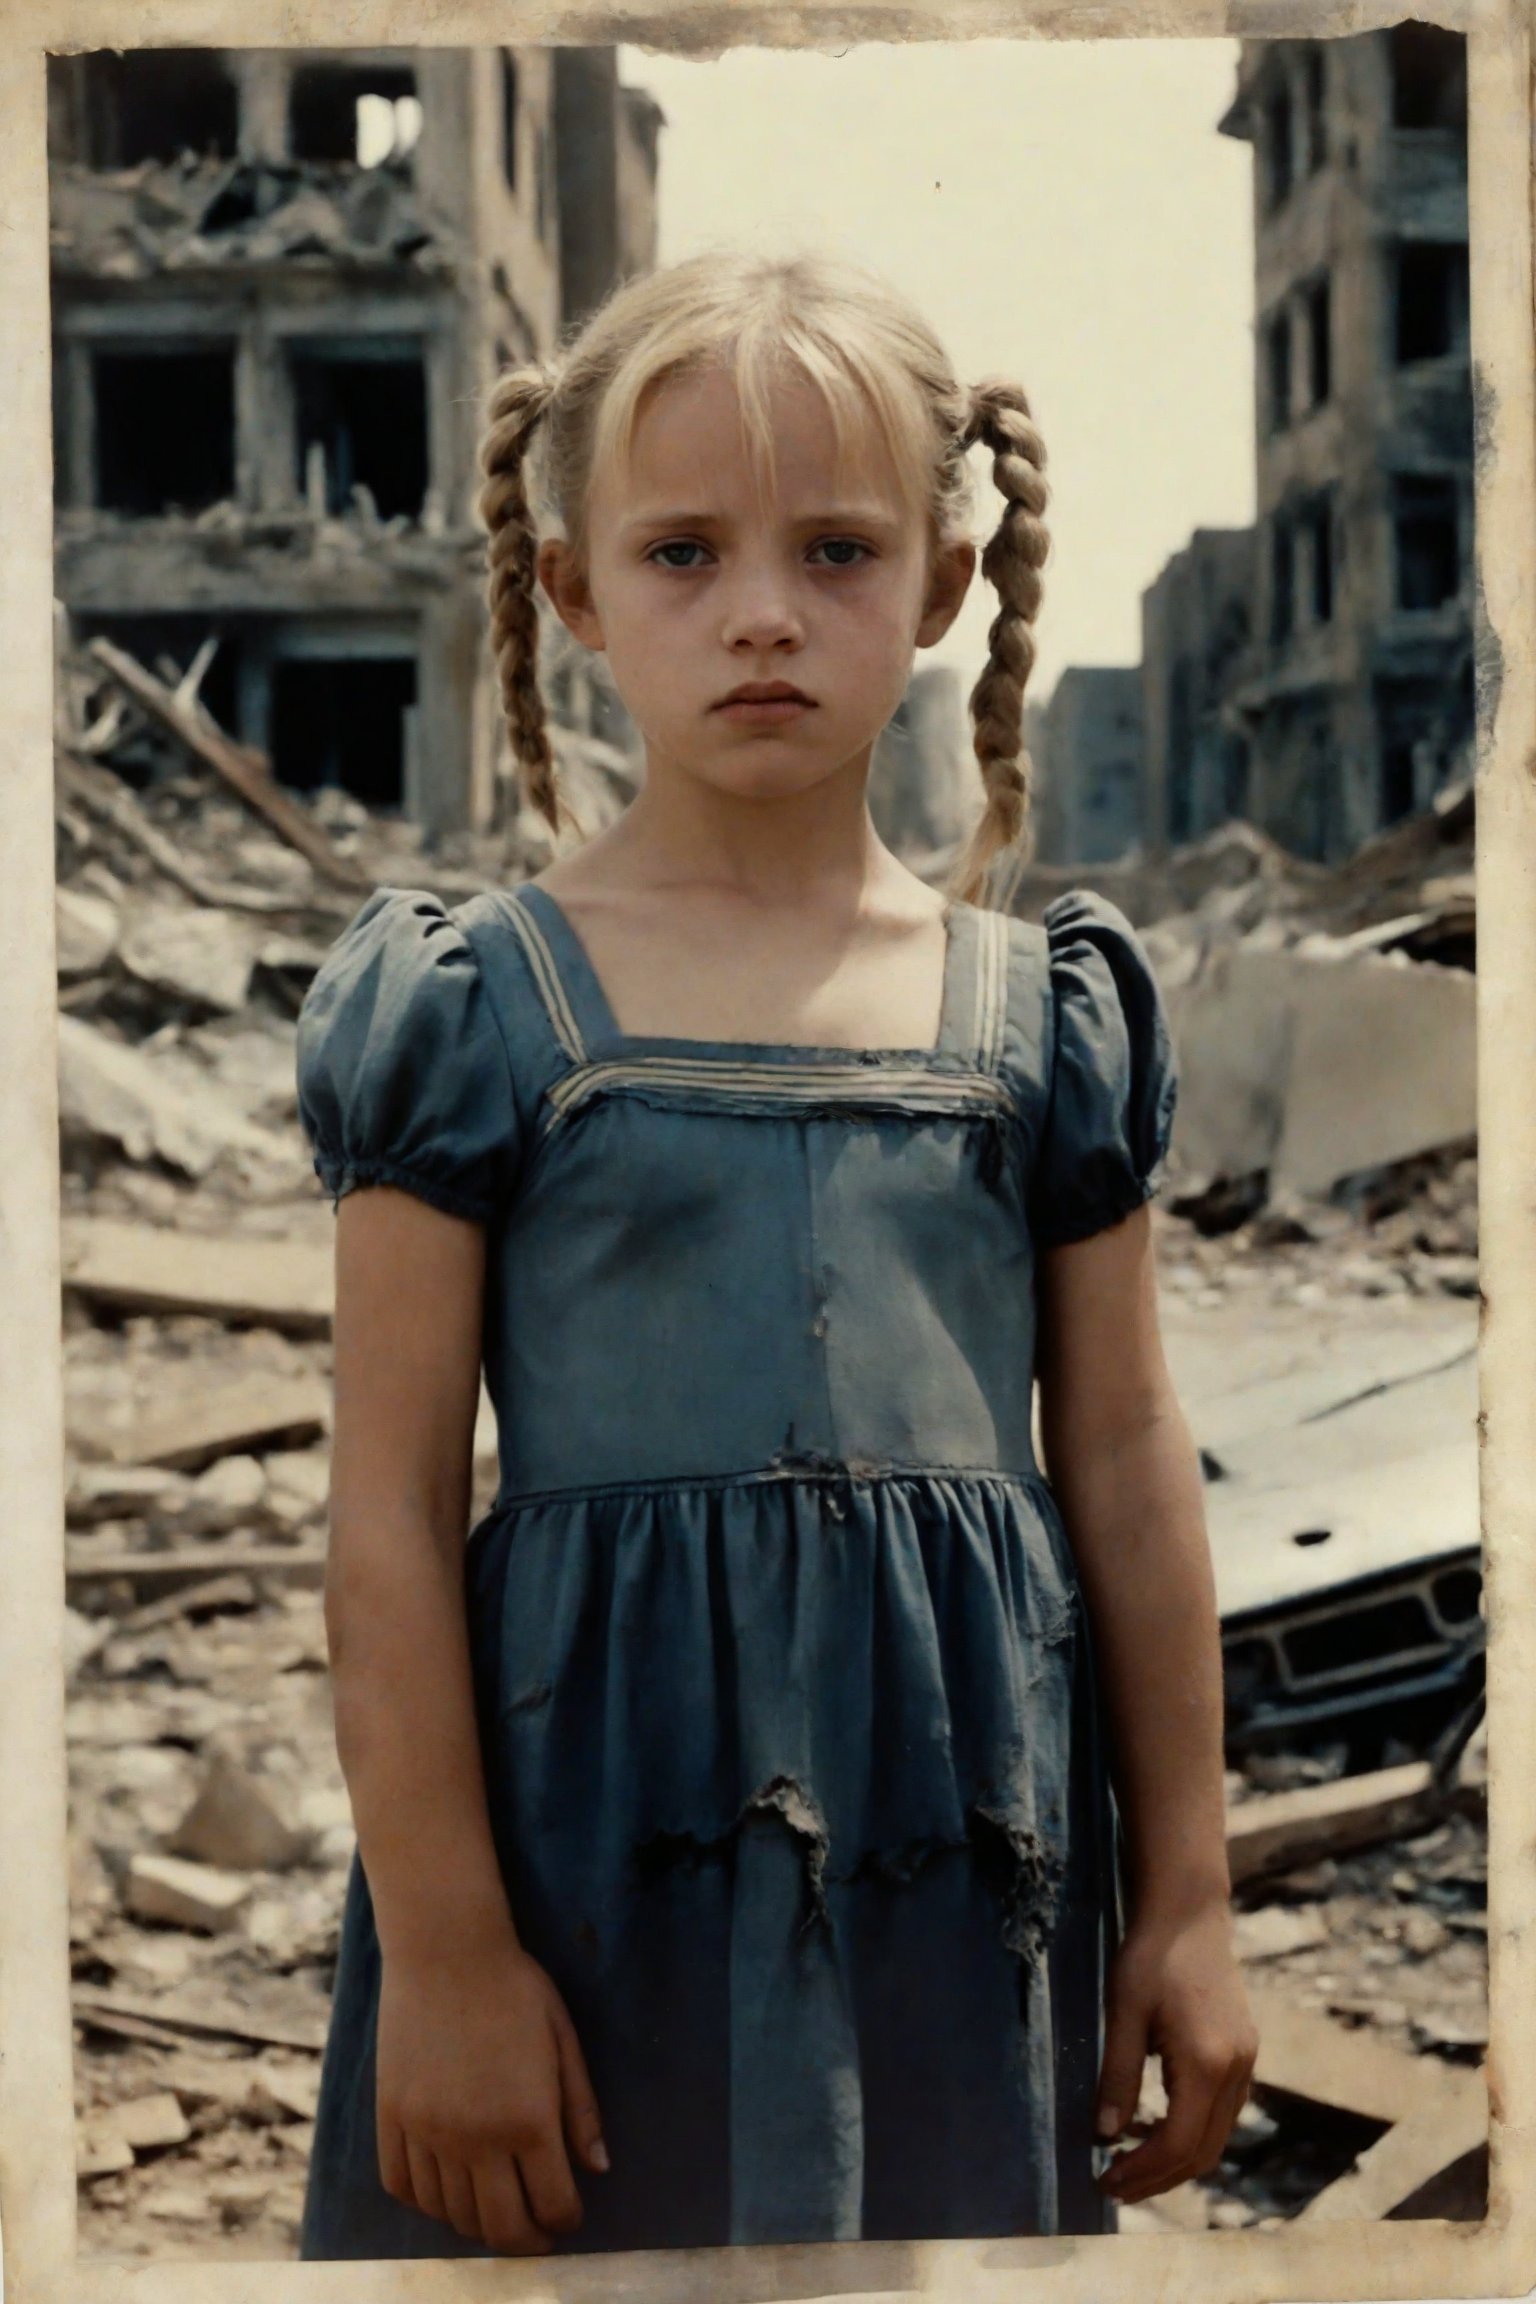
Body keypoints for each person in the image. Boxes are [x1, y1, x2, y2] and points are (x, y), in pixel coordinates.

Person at [293, 246, 1256, 2262]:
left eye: (834, 550)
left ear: (941, 588)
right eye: (681, 555)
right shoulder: (474, 1009)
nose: (761, 615)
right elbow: (381, 1506)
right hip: (583, 1864)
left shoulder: (1042, 1013)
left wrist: (1188, 1898)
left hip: (947, 1855)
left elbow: (1131, 1466)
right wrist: (454, 1949)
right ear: (571, 596)